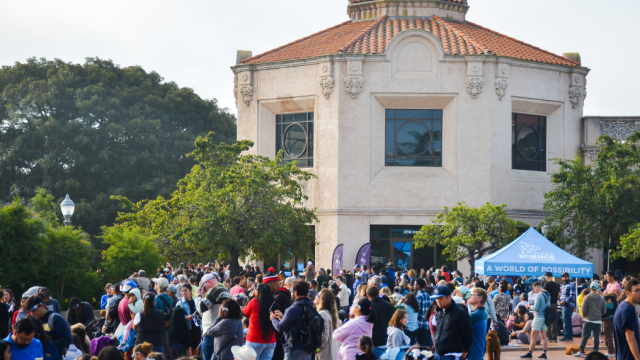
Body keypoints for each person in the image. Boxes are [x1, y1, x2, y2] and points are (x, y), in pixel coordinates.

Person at [270, 280, 314, 360]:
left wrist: (273, 319)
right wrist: (283, 318)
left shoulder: (292, 309)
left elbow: (280, 328)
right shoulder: (312, 308)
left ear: (295, 292)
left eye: (291, 291)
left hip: (293, 350)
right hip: (308, 350)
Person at [195, 273, 232, 360]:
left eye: (203, 287)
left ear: (208, 282)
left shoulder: (215, 290)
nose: (203, 290)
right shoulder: (226, 290)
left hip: (211, 332)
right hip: (221, 331)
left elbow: (201, 307)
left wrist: (198, 295)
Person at [431, 285, 472, 360]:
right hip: (439, 352)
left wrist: (466, 350)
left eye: (441, 298)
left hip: (453, 353)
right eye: (436, 298)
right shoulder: (439, 311)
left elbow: (467, 333)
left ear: (449, 297)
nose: (438, 300)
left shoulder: (460, 313)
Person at [573, 281, 607, 358]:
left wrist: (585, 316)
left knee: (585, 336)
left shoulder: (587, 297)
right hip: (598, 320)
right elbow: (604, 310)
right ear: (597, 289)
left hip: (588, 320)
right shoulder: (601, 299)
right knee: (596, 336)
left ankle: (581, 351)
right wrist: (598, 315)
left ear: (590, 288)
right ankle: (595, 351)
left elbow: (583, 309)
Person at [242, 284, 276, 360]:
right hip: (271, 340)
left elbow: (244, 312)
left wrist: (251, 297)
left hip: (255, 339)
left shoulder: (254, 301)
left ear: (259, 292)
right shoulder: (274, 303)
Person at [264, 271, 292, 360]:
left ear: (271, 283)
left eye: (266, 286)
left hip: (279, 335)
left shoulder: (279, 296)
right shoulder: (283, 294)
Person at [521, 281, 550, 359]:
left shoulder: (539, 295)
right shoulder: (547, 294)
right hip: (545, 317)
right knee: (544, 336)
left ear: (537, 287)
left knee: (533, 336)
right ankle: (544, 354)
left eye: (534, 289)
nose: (534, 290)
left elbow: (536, 308)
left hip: (538, 317)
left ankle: (529, 353)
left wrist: (529, 306)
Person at [613, 278, 640, 360]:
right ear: (628, 293)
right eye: (637, 290)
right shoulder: (628, 309)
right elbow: (630, 337)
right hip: (628, 356)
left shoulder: (623, 306)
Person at [366, 286, 396, 357]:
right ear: (379, 293)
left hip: (374, 342)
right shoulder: (389, 305)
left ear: (367, 296)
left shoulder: (368, 307)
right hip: (388, 339)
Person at [174, 286, 201, 356]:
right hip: (186, 330)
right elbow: (176, 319)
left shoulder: (196, 302)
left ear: (190, 291)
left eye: (186, 290)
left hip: (197, 329)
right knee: (188, 353)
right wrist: (186, 318)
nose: (184, 292)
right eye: (182, 291)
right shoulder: (179, 303)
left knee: (196, 351)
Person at [315, 289, 341, 360]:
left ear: (322, 299)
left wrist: (316, 349)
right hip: (333, 353)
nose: (316, 297)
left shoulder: (323, 314)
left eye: (318, 295)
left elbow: (324, 337)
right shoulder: (333, 315)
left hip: (325, 354)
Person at [468, 288, 488, 360]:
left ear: (480, 298)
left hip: (472, 353)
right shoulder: (483, 313)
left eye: (471, 295)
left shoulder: (475, 315)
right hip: (478, 351)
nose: (469, 296)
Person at [414, 278, 432, 348]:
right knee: (427, 344)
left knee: (421, 345)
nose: (414, 286)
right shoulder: (427, 294)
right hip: (427, 323)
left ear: (418, 285)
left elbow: (417, 310)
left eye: (415, 284)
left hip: (420, 323)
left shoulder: (418, 296)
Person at [559, 272, 576, 342]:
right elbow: (562, 295)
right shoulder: (563, 285)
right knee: (565, 321)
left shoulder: (571, 284)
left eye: (566, 277)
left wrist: (564, 301)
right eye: (563, 277)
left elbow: (572, 296)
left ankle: (567, 336)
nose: (564, 278)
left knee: (567, 321)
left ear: (568, 277)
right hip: (563, 305)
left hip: (568, 305)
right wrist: (559, 300)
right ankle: (567, 335)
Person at [543, 272, 560, 342]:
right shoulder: (556, 284)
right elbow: (558, 295)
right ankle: (554, 337)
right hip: (555, 303)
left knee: (548, 320)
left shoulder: (546, 284)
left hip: (548, 304)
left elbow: (544, 294)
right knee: (554, 321)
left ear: (547, 277)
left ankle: (549, 337)